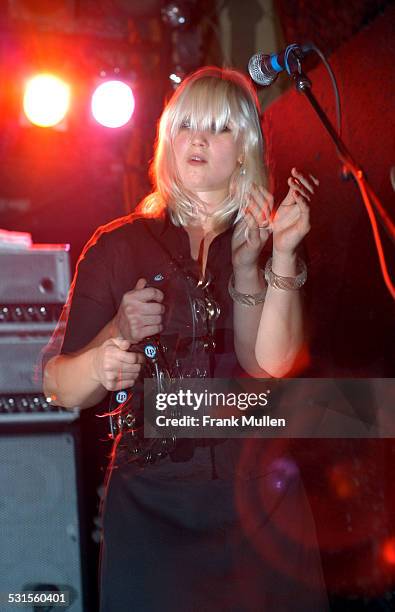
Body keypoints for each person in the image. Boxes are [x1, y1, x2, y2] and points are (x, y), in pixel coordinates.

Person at [43, 67, 327, 611]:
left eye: (219, 128)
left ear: (245, 149)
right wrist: (113, 339)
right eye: (186, 124)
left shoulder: (268, 237)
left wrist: (282, 257)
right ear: (167, 139)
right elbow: (61, 387)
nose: (197, 138)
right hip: (154, 506)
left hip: (261, 503)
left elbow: (270, 366)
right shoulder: (118, 245)